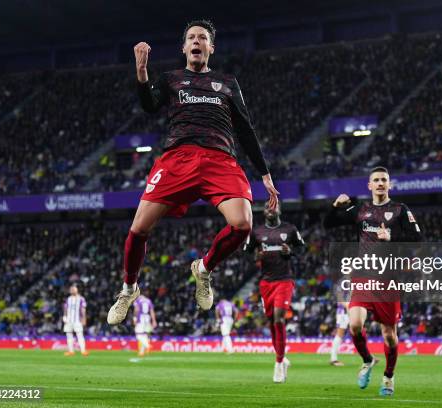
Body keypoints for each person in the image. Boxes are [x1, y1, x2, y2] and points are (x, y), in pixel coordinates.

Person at [107, 19, 278, 325]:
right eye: (191, 38)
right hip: (177, 160)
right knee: (138, 229)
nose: (196, 41)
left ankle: (204, 268)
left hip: (221, 160)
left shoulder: (227, 83)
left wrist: (265, 174)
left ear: (210, 47)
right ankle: (129, 289)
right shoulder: (171, 79)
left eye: (202, 38)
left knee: (242, 225)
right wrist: (142, 72)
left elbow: (245, 128)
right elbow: (149, 105)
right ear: (184, 47)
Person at [324, 167, 422, 396]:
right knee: (355, 325)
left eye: (384, 180)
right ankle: (367, 360)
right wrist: (334, 207)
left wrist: (392, 237)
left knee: (389, 334)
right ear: (369, 185)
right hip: (362, 276)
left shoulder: (400, 210)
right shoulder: (360, 210)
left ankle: (388, 377)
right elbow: (328, 224)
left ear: (389, 185)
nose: (380, 183)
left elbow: (417, 239)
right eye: (376, 180)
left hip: (388, 279)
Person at [244, 205, 305, 383]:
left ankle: (278, 364)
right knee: (271, 320)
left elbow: (302, 248)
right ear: (264, 212)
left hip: (284, 280)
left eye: (274, 205)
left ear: (279, 209)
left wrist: (291, 252)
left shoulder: (290, 229)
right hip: (266, 282)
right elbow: (247, 252)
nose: (271, 209)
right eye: (267, 207)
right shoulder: (257, 232)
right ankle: (282, 358)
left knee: (279, 318)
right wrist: (256, 257)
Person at [63, 284, 88, 356]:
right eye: (71, 289)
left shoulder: (81, 299)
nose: (72, 290)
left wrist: (84, 319)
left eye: (73, 289)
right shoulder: (68, 299)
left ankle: (83, 351)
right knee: (68, 335)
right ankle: (71, 351)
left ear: (77, 290)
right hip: (69, 320)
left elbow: (83, 310)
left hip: (77, 320)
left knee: (80, 335)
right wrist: (64, 316)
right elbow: (65, 308)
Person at [133, 292, 157, 357]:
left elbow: (136, 310)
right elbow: (152, 311)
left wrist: (134, 319)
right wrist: (154, 321)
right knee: (145, 335)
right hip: (147, 319)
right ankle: (142, 352)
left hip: (141, 319)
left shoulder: (138, 300)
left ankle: (147, 346)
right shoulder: (148, 301)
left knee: (138, 334)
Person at [330, 302, 349, 366]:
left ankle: (368, 357)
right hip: (343, 313)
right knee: (339, 334)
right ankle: (333, 360)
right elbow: (341, 299)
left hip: (346, 312)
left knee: (358, 333)